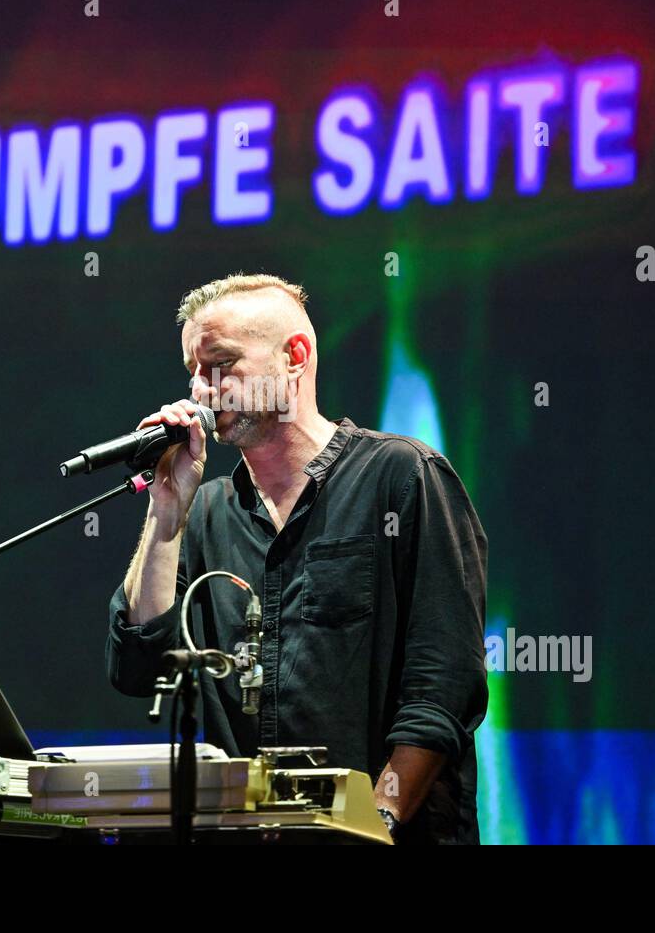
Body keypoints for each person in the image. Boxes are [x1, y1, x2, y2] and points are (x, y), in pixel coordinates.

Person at [105, 273, 488, 843]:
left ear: (295, 356)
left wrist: (374, 822)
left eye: (221, 365)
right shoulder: (203, 512)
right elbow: (140, 669)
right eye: (192, 372)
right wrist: (166, 510)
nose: (200, 391)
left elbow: (444, 685)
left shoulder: (401, 478)